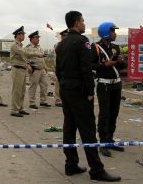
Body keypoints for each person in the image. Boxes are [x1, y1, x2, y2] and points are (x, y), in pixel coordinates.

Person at [55, 11, 121, 182]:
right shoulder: (82, 42)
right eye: (83, 21)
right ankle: (96, 170)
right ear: (77, 23)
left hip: (66, 89)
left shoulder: (61, 44)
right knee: (88, 129)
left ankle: (71, 164)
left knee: (69, 127)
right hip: (79, 91)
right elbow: (86, 69)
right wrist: (91, 92)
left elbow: (58, 70)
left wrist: (64, 87)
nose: (84, 23)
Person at [92, 22, 126, 157]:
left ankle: (110, 140)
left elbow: (121, 68)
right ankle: (103, 143)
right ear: (106, 33)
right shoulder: (95, 48)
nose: (115, 33)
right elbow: (91, 65)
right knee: (104, 114)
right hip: (104, 85)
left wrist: (122, 62)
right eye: (113, 31)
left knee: (114, 113)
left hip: (116, 84)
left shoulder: (115, 48)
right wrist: (106, 64)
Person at [10, 26, 44, 117]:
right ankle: (14, 110)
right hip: (17, 69)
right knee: (17, 91)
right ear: (18, 35)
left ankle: (20, 108)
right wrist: (37, 54)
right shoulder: (14, 45)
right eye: (22, 34)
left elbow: (24, 57)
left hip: (22, 70)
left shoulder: (20, 45)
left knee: (22, 91)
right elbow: (25, 54)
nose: (24, 36)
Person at [26, 30, 51, 109]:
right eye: (36, 38)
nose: (38, 39)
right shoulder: (28, 48)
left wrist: (45, 66)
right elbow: (24, 58)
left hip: (42, 69)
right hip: (34, 70)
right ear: (32, 39)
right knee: (33, 86)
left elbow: (42, 58)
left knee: (44, 85)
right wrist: (28, 66)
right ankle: (32, 102)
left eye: (38, 38)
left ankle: (43, 101)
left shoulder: (39, 47)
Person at [52, 29, 68, 107]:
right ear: (62, 37)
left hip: (67, 69)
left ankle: (64, 99)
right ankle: (58, 100)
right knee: (58, 84)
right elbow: (56, 58)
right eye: (65, 36)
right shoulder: (57, 45)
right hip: (60, 68)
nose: (66, 37)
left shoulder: (69, 45)